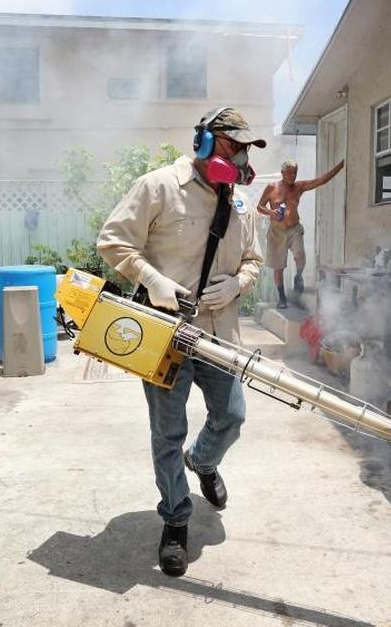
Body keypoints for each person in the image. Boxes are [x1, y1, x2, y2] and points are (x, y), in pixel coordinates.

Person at [96, 107, 265, 577]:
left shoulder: (241, 202)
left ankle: (205, 462)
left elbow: (253, 260)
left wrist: (238, 285)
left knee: (231, 415)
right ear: (205, 142)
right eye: (233, 145)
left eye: (245, 148)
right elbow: (112, 241)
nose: (241, 156)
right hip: (165, 333)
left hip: (219, 332)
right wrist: (151, 279)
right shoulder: (158, 186)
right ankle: (175, 519)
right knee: (167, 434)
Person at [257, 158, 345, 308]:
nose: (293, 176)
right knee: (279, 266)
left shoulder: (299, 187)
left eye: (295, 172)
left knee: (300, 256)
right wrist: (271, 212)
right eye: (290, 173)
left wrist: (341, 165)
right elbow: (259, 206)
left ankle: (298, 276)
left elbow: (321, 180)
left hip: (294, 228)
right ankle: (282, 297)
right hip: (277, 232)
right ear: (283, 173)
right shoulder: (272, 187)